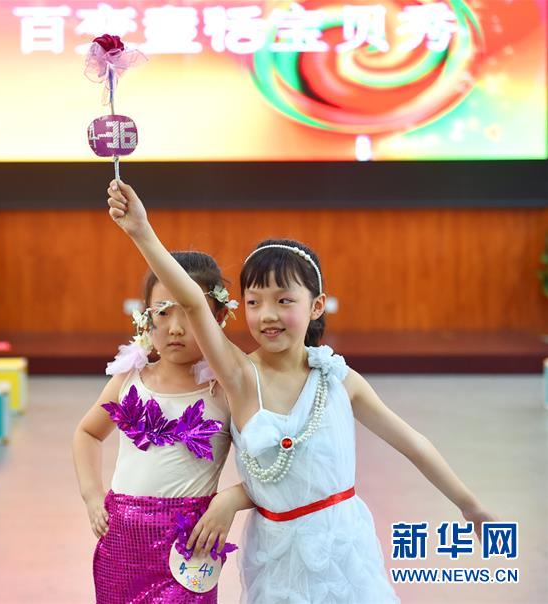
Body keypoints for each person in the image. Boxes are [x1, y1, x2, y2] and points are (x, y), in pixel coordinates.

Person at [106, 179, 496, 603]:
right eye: (253, 302)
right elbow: (194, 302)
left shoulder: (339, 379)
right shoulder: (238, 375)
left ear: (316, 305)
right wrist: (141, 232)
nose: (266, 315)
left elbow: (412, 443)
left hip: (344, 553)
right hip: (276, 560)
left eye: (283, 300)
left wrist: (469, 504)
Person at [73, 251, 235, 602]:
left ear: (218, 316)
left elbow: (264, 465)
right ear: (146, 318)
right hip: (121, 543)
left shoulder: (225, 391)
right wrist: (92, 495)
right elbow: (87, 433)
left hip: (189, 544)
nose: (175, 327)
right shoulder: (129, 379)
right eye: (163, 312)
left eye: (189, 311)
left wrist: (230, 501)